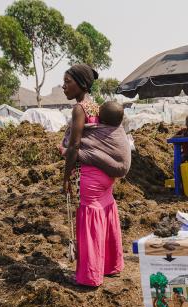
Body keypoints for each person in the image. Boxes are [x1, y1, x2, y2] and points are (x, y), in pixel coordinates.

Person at [61, 64, 123, 287]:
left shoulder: (80, 109)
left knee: (89, 216)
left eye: (68, 82)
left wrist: (66, 176)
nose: (64, 86)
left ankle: (89, 276)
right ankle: (111, 265)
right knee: (106, 210)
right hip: (106, 173)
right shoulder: (98, 107)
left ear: (81, 84)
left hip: (89, 175)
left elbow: (75, 145)